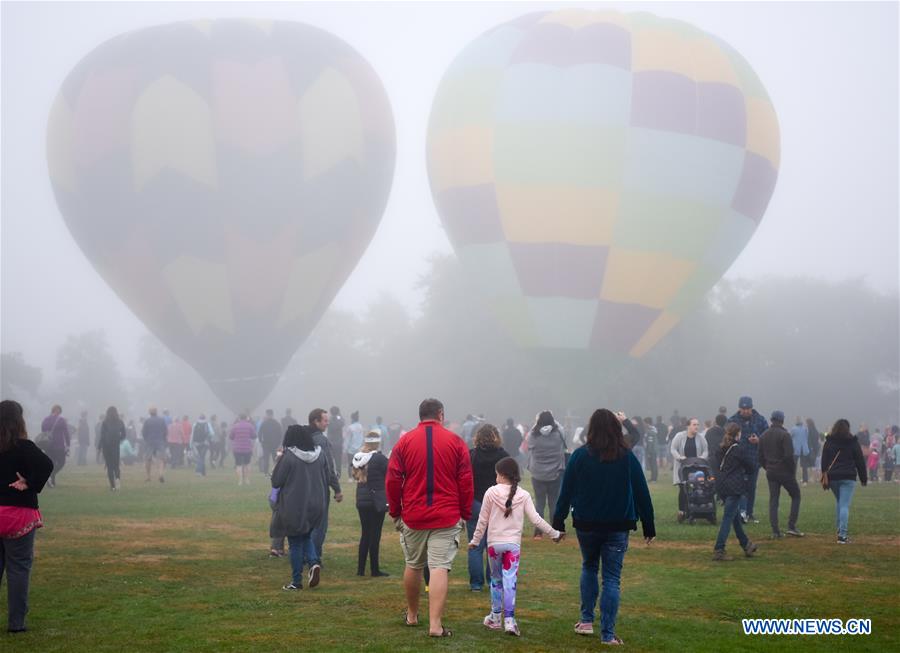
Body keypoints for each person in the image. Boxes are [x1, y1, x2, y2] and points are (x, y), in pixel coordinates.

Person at [552, 409, 655, 645]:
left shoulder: (579, 456)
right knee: (611, 578)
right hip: (618, 525)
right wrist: (648, 525)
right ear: (616, 429)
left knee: (589, 566)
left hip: (587, 524)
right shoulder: (626, 457)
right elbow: (642, 491)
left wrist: (559, 521)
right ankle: (607, 634)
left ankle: (586, 620)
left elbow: (565, 491)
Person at [387, 398, 473, 638]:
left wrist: (395, 511)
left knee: (413, 564)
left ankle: (412, 615)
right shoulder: (455, 442)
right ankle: (435, 625)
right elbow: (465, 481)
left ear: (420, 415)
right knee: (439, 567)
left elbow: (393, 479)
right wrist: (465, 512)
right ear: (441, 414)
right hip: (446, 514)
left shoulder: (404, 442)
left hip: (414, 514)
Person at [469, 456, 562, 636]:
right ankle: (510, 621)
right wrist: (554, 534)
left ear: (502, 475)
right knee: (510, 582)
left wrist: (474, 540)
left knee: (496, 581)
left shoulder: (490, 492)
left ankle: (495, 617)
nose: (495, 477)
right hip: (513, 546)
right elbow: (536, 519)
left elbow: (482, 520)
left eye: (496, 474)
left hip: (494, 545)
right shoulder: (524, 495)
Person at [1, 400, 54, 634]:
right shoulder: (24, 447)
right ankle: (16, 623)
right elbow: (47, 464)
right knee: (19, 569)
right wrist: (29, 483)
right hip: (18, 515)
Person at [270, 425, 328, 590]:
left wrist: (278, 461)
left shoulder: (288, 457)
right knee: (307, 536)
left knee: (295, 542)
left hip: (295, 505)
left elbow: (276, 481)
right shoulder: (320, 454)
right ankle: (314, 562)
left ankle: (296, 581)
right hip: (317, 503)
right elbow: (326, 473)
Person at [467, 423, 510, 591]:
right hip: (497, 504)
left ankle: (476, 584)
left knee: (475, 546)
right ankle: (493, 580)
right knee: (494, 546)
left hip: (475, 503)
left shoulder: (471, 455)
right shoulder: (503, 456)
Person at [712, 422, 759, 561]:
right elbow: (751, 467)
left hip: (722, 486)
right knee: (728, 518)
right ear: (738, 434)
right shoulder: (738, 449)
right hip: (734, 487)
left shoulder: (721, 448)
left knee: (735, 517)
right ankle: (719, 549)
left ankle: (746, 545)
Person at [821, 419, 867, 543]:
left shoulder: (829, 442)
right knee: (844, 505)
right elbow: (860, 461)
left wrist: (824, 474)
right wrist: (863, 478)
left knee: (840, 502)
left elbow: (824, 460)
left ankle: (839, 529)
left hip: (833, 477)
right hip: (848, 477)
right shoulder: (852, 442)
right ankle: (842, 535)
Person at [759, 411, 803, 538]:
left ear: (771, 420)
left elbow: (760, 457)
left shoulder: (763, 436)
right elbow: (789, 456)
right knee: (796, 495)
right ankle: (791, 526)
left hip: (771, 472)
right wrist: (791, 470)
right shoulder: (785, 435)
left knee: (774, 500)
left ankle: (775, 531)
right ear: (782, 420)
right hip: (784, 472)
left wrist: (767, 467)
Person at [308, 409, 343, 562]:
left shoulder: (303, 438)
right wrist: (337, 489)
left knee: (307, 524)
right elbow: (328, 468)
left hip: (303, 488)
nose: (327, 423)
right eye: (324, 420)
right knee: (319, 525)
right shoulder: (322, 441)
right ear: (316, 421)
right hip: (320, 488)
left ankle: (306, 554)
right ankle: (314, 557)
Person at [352, 431, 389, 577]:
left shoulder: (358, 457)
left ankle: (360, 570)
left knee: (365, 534)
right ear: (378, 443)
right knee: (375, 535)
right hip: (376, 500)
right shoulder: (379, 458)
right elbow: (389, 473)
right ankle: (375, 569)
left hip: (361, 499)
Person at [525, 411, 567, 540]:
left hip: (537, 473)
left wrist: (536, 422)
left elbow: (529, 444)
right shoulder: (558, 434)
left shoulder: (533, 435)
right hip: (555, 472)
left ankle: (538, 533)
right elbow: (562, 430)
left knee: (539, 503)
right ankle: (555, 531)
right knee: (553, 503)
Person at [729, 396, 769, 524]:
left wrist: (759, 440)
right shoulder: (732, 420)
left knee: (751, 488)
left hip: (753, 460)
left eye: (748, 408)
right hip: (737, 460)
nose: (745, 411)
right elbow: (727, 438)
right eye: (743, 408)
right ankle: (740, 513)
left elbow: (768, 436)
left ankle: (749, 513)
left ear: (752, 408)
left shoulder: (760, 420)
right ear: (739, 408)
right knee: (739, 488)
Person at [669, 418, 709, 522]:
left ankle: (693, 512)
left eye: (698, 424)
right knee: (683, 489)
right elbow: (673, 449)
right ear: (688, 426)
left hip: (696, 468)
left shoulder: (701, 437)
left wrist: (702, 458)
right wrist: (679, 457)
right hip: (683, 468)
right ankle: (682, 511)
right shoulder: (679, 436)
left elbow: (705, 450)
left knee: (696, 489)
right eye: (694, 424)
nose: (697, 426)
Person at [40, 405, 69, 488]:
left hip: (48, 445)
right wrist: (68, 444)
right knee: (61, 462)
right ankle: (51, 475)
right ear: (59, 411)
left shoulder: (46, 419)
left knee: (51, 463)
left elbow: (43, 430)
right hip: (59, 445)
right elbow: (66, 433)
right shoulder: (61, 420)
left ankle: (51, 480)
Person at [98, 406, 126, 491]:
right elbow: (124, 434)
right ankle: (117, 478)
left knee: (109, 466)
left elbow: (102, 436)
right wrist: (119, 439)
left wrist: (99, 447)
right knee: (116, 465)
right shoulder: (120, 422)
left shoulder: (105, 422)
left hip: (106, 446)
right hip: (115, 446)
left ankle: (112, 486)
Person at [229, 414, 257, 486]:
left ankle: (240, 481)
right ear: (246, 418)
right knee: (247, 464)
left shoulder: (235, 426)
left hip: (237, 448)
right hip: (247, 448)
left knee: (238, 465)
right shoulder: (250, 426)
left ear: (239, 418)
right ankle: (247, 480)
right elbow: (254, 436)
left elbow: (231, 437)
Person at [142, 407, 168, 483]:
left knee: (148, 459)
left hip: (150, 442)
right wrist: (163, 439)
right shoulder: (161, 420)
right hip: (160, 441)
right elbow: (165, 431)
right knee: (162, 459)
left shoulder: (147, 421)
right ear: (156, 412)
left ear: (150, 412)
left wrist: (146, 439)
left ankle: (148, 476)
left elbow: (144, 432)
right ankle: (160, 474)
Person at [258, 409, 283, 476]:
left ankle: (265, 473)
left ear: (267, 414)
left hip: (266, 443)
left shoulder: (264, 423)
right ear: (272, 414)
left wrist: (261, 441)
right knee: (275, 459)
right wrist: (279, 442)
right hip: (275, 444)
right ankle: (275, 472)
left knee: (266, 459)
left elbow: (260, 433)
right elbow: (280, 433)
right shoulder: (277, 423)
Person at [344, 411, 364, 477]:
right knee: (359, 463)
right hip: (359, 448)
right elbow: (362, 438)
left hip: (351, 449)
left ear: (352, 419)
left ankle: (350, 477)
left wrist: (345, 448)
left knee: (350, 464)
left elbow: (347, 439)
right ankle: (358, 476)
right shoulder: (361, 427)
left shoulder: (350, 427)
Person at [326, 407, 345, 479]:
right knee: (338, 460)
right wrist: (339, 415)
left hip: (330, 442)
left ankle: (330, 474)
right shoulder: (339, 419)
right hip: (338, 443)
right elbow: (343, 422)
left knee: (329, 459)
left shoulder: (329, 419)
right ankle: (338, 475)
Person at [642, 417, 659, 482]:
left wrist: (649, 452)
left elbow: (650, 442)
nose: (644, 424)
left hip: (652, 450)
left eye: (644, 423)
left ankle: (654, 478)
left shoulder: (651, 431)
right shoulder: (651, 430)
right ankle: (652, 478)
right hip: (651, 450)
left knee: (653, 464)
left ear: (647, 423)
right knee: (651, 464)